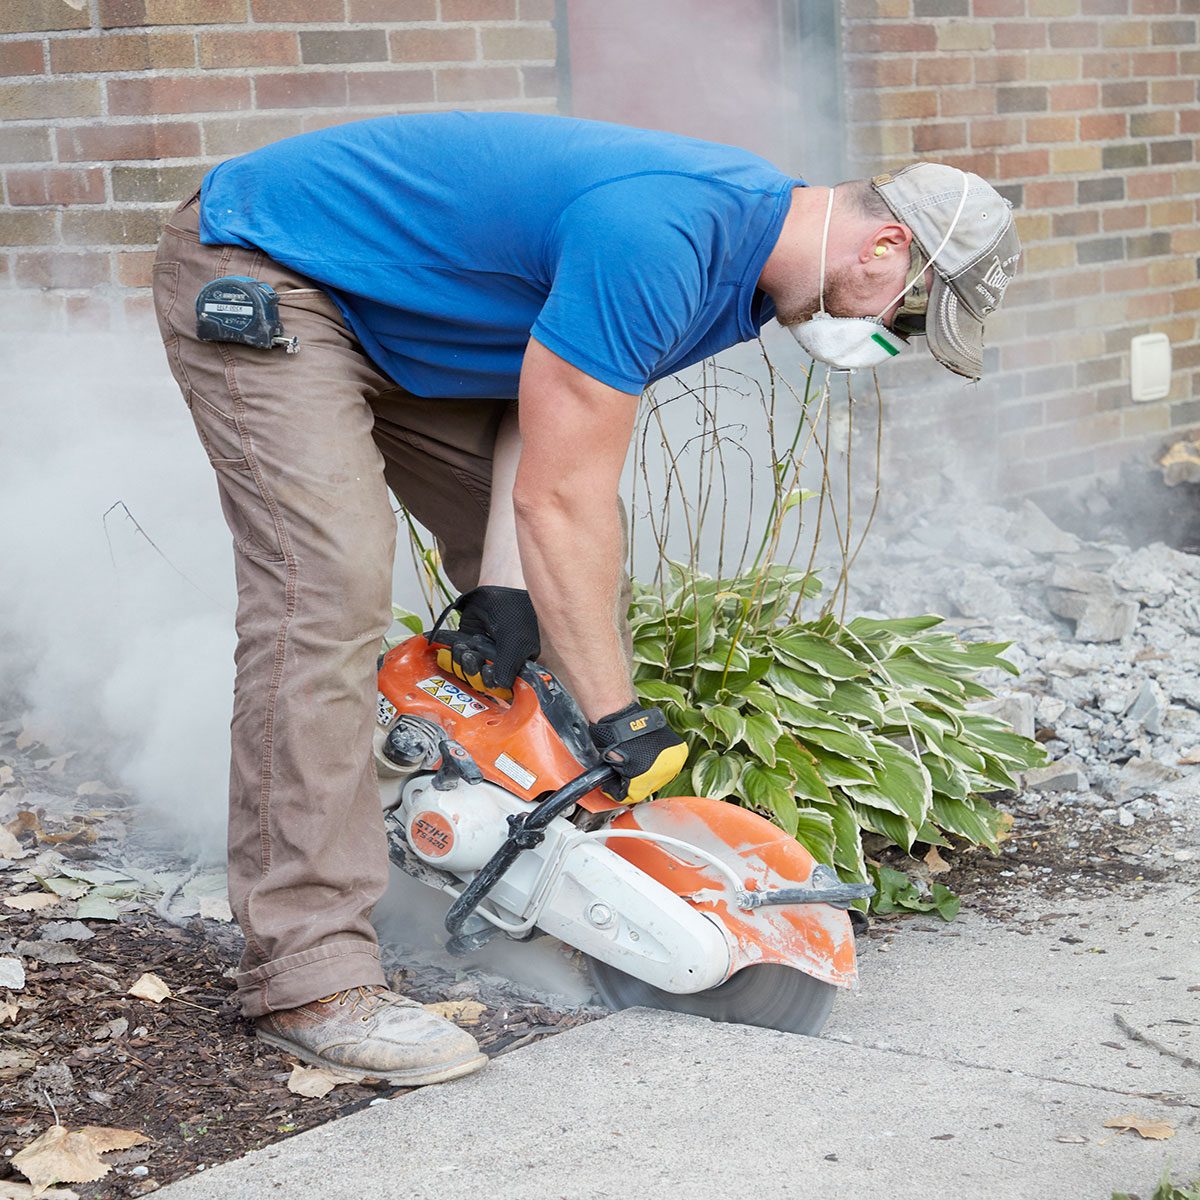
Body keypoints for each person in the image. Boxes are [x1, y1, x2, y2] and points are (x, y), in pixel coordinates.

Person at [151, 111, 1020, 1084]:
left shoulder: (736, 273)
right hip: (273, 268)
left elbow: (543, 408)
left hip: (395, 323)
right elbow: (563, 500)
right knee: (329, 591)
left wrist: (504, 593)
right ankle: (309, 972)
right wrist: (618, 715)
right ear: (885, 248)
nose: (887, 341)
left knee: (540, 577)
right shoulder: (668, 236)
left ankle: (434, 807)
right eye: (906, 319)